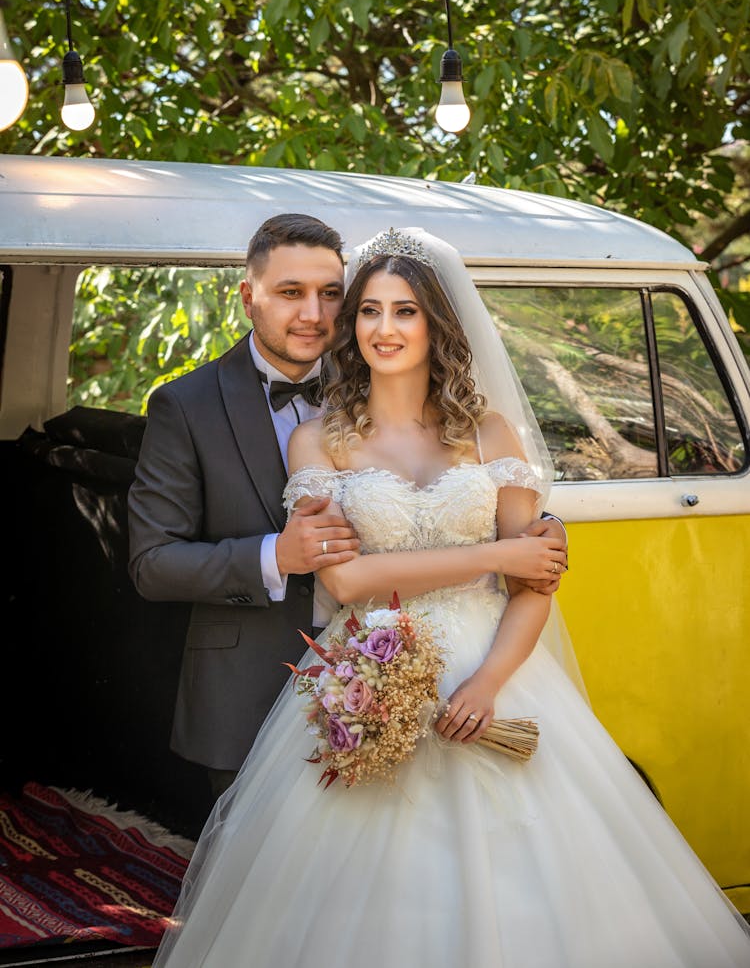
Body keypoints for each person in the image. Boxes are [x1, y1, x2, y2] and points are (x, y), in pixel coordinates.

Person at [149, 227, 750, 968]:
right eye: (369, 310)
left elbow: (536, 585)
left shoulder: (489, 432)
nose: (383, 328)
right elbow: (345, 582)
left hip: (492, 673)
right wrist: (498, 553)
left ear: (437, 322)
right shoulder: (322, 441)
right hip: (367, 664)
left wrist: (489, 682)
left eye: (405, 311)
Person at [128, 212, 567, 801]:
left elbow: (508, 533)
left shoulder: (382, 354)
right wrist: (275, 555)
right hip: (267, 688)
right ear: (247, 296)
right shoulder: (188, 405)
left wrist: (538, 536)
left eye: (331, 294)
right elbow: (152, 563)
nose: (313, 314)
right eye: (290, 293)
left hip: (460, 664)